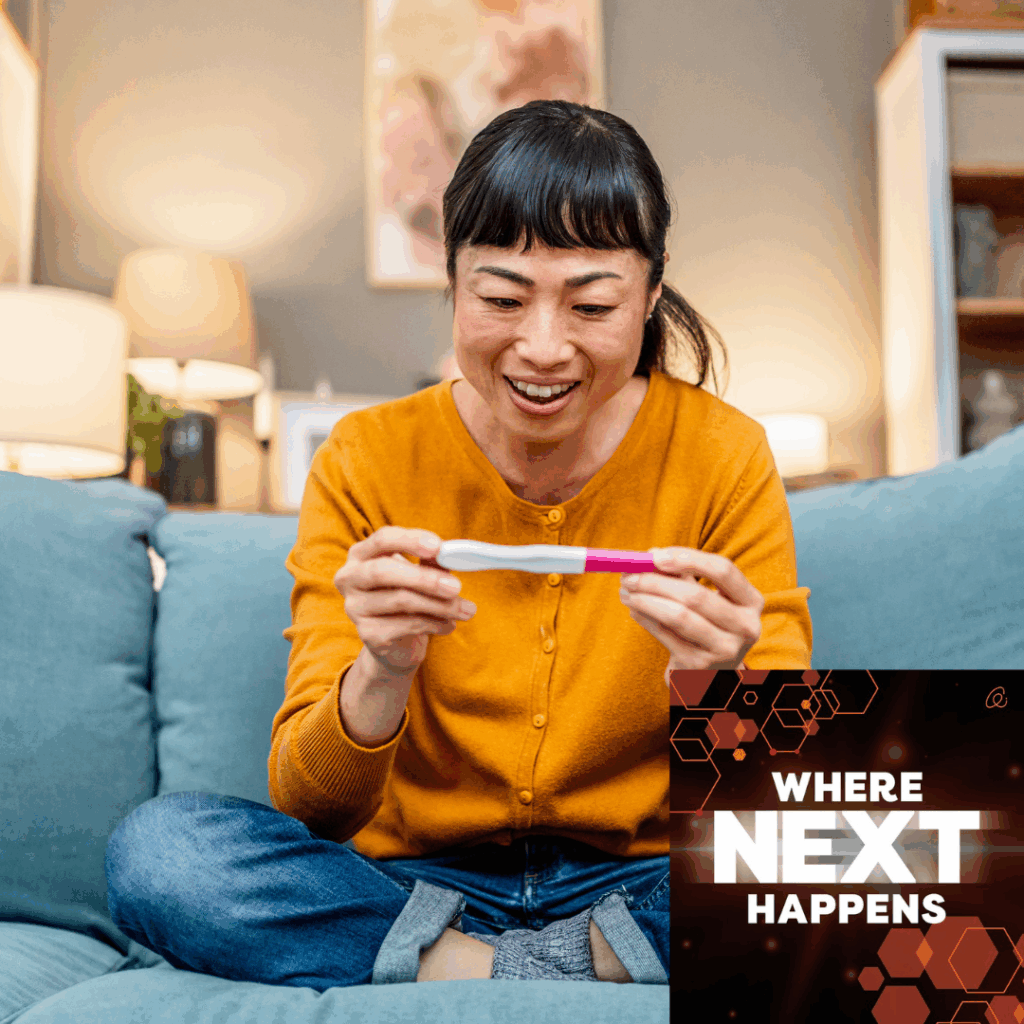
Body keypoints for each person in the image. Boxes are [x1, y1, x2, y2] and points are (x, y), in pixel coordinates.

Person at [104, 100, 811, 993]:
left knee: (904, 844)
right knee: (161, 852)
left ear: (652, 293)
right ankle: (553, 968)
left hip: (639, 882)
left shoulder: (723, 454)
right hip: (413, 886)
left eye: (592, 305)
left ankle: (483, 969)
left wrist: (723, 690)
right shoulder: (367, 457)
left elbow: (781, 796)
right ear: (451, 280)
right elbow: (313, 807)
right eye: (501, 299)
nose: (542, 348)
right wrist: (382, 669)